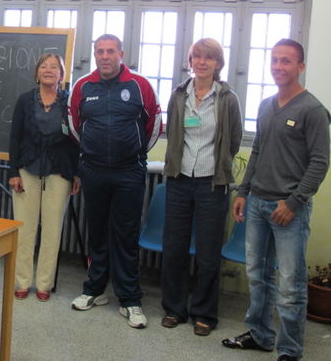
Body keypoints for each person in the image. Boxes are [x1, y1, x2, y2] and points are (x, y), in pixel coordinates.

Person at [222, 39, 330, 361]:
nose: (279, 66)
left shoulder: (312, 110)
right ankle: (260, 334)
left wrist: (294, 202)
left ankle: (290, 350)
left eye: (286, 61)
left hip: (289, 211)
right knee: (258, 275)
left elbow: (320, 163)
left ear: (301, 66)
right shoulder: (266, 105)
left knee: (290, 284)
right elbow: (256, 151)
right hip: (258, 203)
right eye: (275, 60)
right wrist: (244, 192)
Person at [68, 33, 162, 328]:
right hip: (94, 171)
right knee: (96, 232)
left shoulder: (140, 85)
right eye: (100, 51)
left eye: (110, 51)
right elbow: (74, 126)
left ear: (121, 54)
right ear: (94, 55)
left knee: (126, 235)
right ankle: (94, 290)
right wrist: (91, 153)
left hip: (129, 172)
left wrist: (136, 154)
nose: (105, 56)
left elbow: (154, 125)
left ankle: (130, 299)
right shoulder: (83, 86)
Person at [161, 38, 242, 336]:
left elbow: (234, 139)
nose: (202, 62)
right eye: (197, 56)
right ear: (190, 61)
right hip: (179, 179)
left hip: (212, 182)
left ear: (218, 63)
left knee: (208, 254)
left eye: (209, 57)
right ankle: (174, 309)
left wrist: (218, 165)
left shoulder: (228, 98)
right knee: (174, 249)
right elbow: (173, 132)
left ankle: (204, 313)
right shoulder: (179, 95)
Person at [8, 53, 80, 302]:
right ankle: (22, 281)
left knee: (52, 230)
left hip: (60, 172)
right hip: (27, 170)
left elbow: (76, 141)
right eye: (43, 66)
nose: (48, 70)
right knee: (24, 229)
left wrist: (76, 173)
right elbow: (14, 137)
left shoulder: (70, 103)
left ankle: (44, 284)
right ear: (37, 73)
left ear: (61, 74)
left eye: (54, 67)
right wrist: (13, 171)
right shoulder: (25, 100)